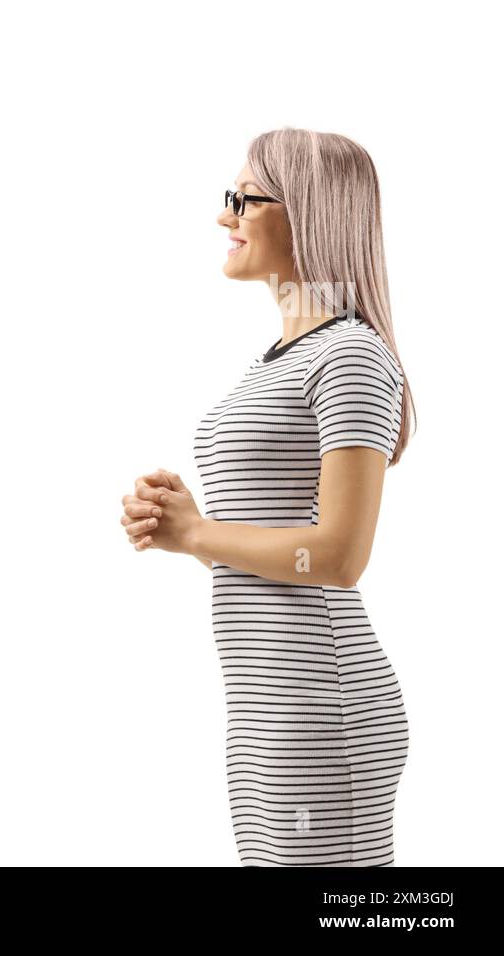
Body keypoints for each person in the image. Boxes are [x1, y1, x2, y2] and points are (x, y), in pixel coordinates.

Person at [118, 128, 417, 866]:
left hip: (318, 706)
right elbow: (279, 551)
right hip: (266, 707)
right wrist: (180, 530)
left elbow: (341, 557)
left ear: (308, 210)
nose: (225, 218)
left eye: (243, 199)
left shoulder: (348, 353)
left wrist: (197, 534)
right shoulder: (275, 363)